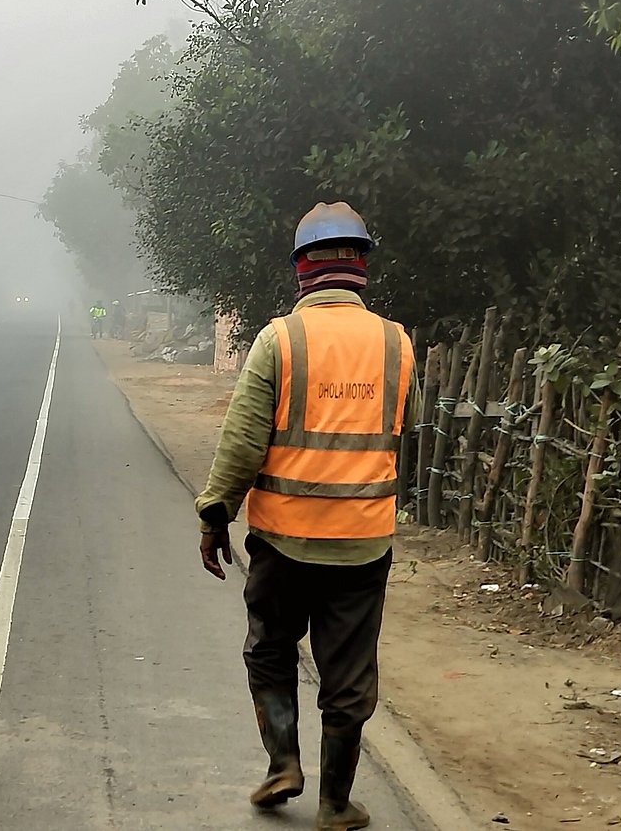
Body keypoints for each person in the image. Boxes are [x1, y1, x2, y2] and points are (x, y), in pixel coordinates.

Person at [194, 202, 420, 831]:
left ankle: (283, 764)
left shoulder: (280, 340)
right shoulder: (396, 343)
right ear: (362, 266)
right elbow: (408, 428)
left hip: (283, 539)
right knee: (349, 675)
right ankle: (336, 804)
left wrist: (216, 513)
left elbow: (243, 440)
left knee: (270, 649)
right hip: (363, 542)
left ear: (302, 269)